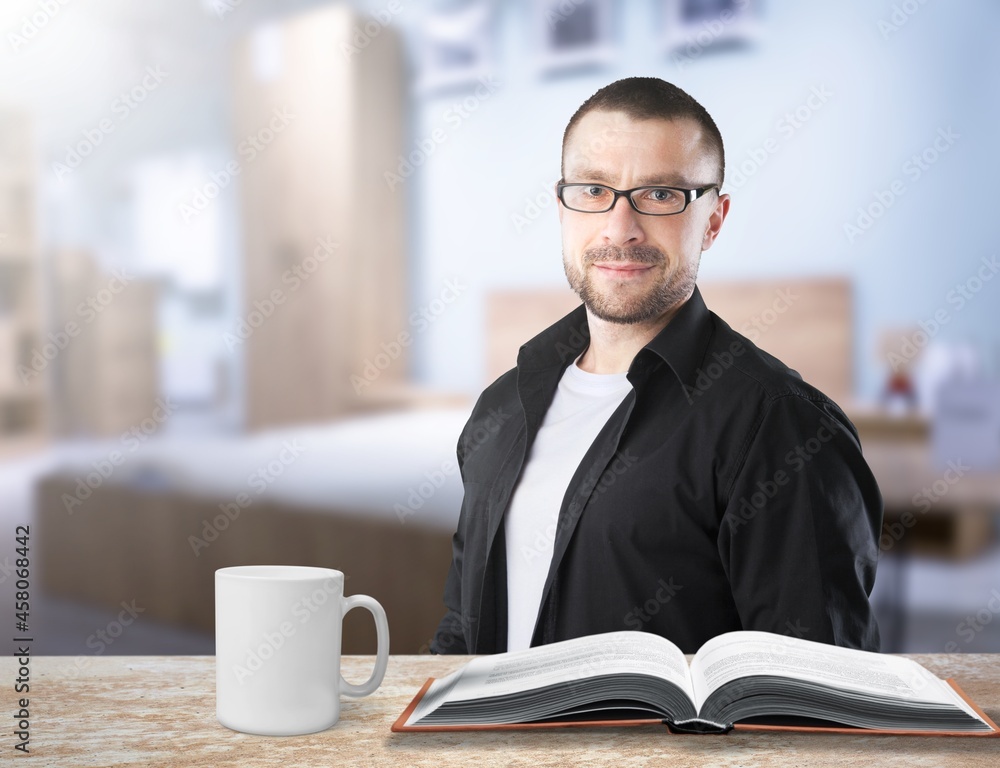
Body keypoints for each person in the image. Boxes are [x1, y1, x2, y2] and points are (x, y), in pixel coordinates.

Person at [431, 77, 882, 655]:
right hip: (492, 746)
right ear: (563, 206)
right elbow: (461, 632)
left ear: (713, 221)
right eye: (594, 190)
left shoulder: (782, 426)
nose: (620, 228)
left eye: (661, 194)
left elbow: (816, 693)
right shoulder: (502, 406)